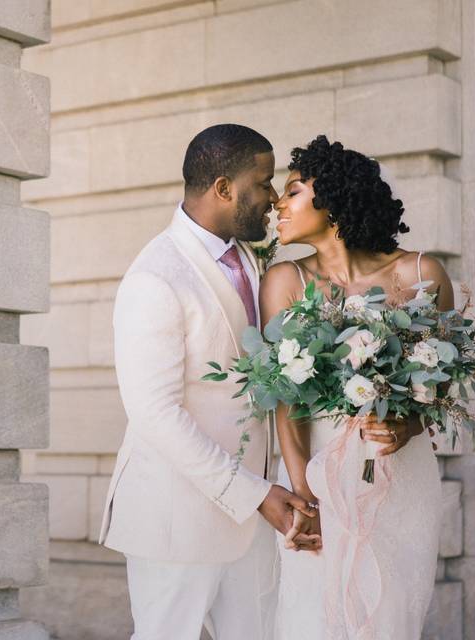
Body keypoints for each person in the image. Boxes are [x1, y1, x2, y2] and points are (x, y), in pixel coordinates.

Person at [97, 123, 316, 639]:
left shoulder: (254, 259)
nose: (271, 198)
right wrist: (255, 494)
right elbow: (155, 415)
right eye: (263, 183)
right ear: (223, 188)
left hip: (255, 521)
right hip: (176, 522)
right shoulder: (155, 277)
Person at [263, 135, 448, 639]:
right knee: (310, 620)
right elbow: (286, 400)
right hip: (319, 471)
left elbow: (441, 389)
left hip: (399, 476)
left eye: (294, 190)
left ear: (335, 199)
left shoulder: (420, 275)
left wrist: (407, 425)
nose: (278, 202)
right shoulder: (285, 281)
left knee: (388, 620)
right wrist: (305, 497)